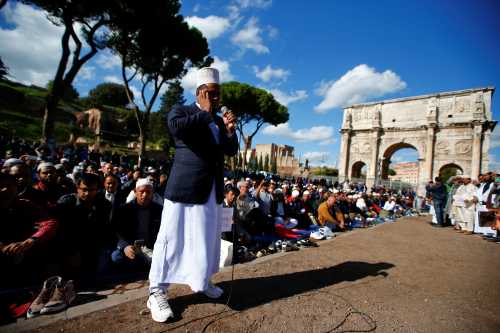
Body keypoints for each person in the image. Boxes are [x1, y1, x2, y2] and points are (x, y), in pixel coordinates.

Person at [147, 67, 239, 322]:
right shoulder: (182, 111)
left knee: (207, 238)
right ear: (201, 93)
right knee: (171, 238)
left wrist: (230, 129)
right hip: (185, 188)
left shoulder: (218, 121)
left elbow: (229, 151)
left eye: (219, 94)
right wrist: (207, 114)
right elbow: (177, 129)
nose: (218, 98)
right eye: (213, 93)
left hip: (211, 190)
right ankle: (157, 291)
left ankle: (202, 281)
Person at [111, 179, 162, 269]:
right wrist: (125, 246)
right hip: (131, 246)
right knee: (116, 257)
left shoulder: (159, 210)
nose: (145, 195)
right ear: (135, 192)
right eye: (141, 191)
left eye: (148, 192)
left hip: (150, 247)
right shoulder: (124, 210)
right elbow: (117, 232)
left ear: (152, 193)